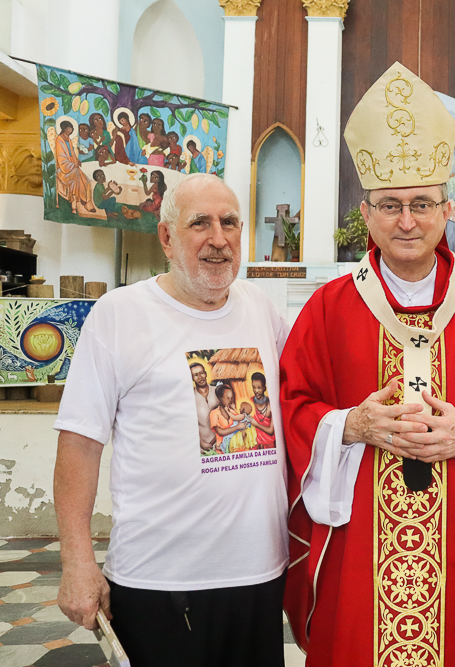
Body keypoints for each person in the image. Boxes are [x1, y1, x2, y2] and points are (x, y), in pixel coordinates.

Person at [281, 62, 455, 667]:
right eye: (391, 205)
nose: (407, 221)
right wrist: (350, 426)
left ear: (447, 209)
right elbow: (293, 406)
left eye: (422, 203)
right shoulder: (328, 308)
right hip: (358, 539)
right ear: (367, 213)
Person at [53, 173, 290, 666]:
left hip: (259, 575)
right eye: (200, 223)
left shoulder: (262, 309)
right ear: (166, 237)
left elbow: (301, 405)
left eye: (229, 223)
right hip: (158, 581)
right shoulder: (120, 314)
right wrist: (77, 560)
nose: (218, 238)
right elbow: (79, 443)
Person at [54, 120, 96, 214]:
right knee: (77, 176)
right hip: (63, 170)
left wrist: (77, 160)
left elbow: (72, 154)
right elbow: (61, 158)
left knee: (86, 180)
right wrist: (72, 165)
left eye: (71, 129)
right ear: (64, 129)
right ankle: (80, 203)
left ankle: (87, 202)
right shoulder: (59, 140)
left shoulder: (68, 139)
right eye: (68, 128)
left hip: (72, 167)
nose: (70, 130)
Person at [191, 361, 220, 455]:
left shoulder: (217, 391)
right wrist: (200, 443)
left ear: (206, 374)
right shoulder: (191, 398)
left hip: (222, 444)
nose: (200, 377)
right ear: (192, 378)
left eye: (201, 373)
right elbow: (189, 425)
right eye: (196, 375)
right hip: (203, 448)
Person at [249, 372, 276, 449]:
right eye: (254, 387)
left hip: (269, 445)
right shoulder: (250, 402)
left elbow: (271, 431)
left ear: (264, 388)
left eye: (259, 388)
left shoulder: (271, 404)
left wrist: (256, 424)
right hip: (255, 445)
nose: (256, 391)